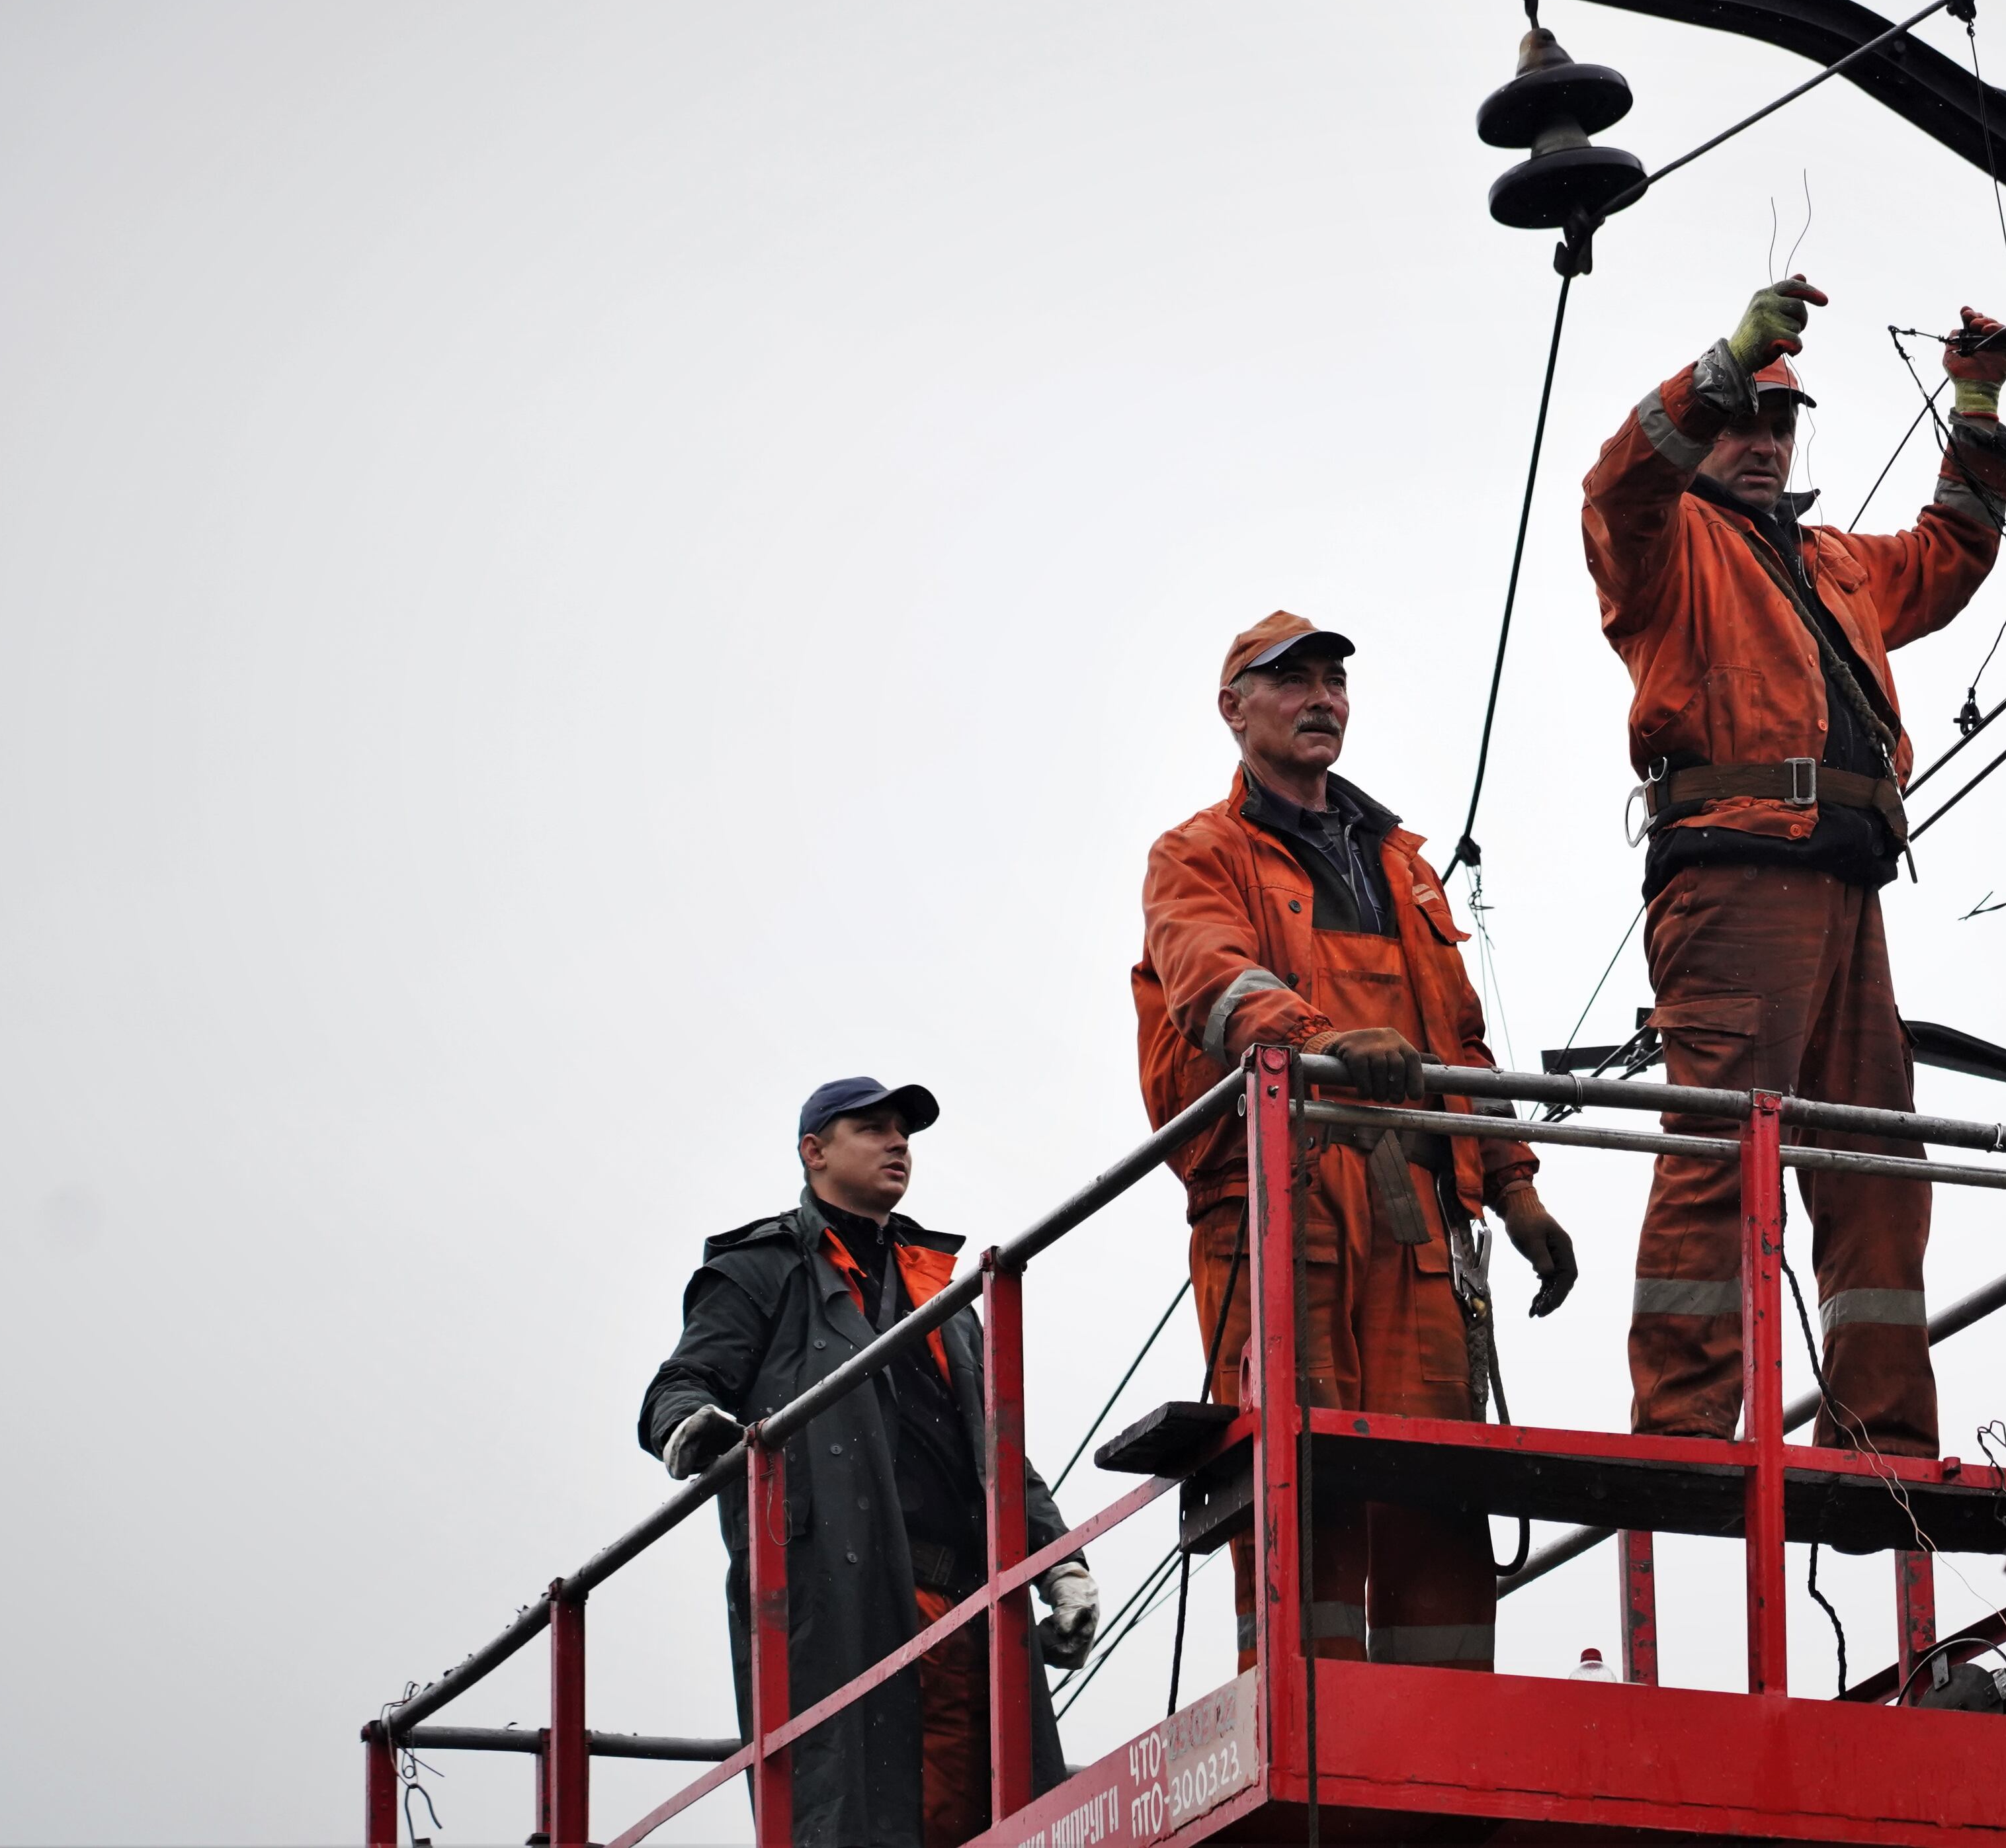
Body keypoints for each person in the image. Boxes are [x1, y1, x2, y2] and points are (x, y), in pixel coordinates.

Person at [1579, 277, 2006, 1461]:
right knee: (1726, 1145)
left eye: (1780, 423)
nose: (1763, 442)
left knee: (1875, 1158)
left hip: (1842, 894)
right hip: (1732, 886)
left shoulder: (1834, 563)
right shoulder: (1669, 548)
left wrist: (1973, 405)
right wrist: (1725, 361)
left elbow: (1953, 551)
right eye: (1742, 422)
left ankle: (1879, 1432)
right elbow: (1619, 485)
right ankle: (1682, 1426)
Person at [1132, 611, 1579, 1672]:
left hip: (1418, 1213)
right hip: (1277, 1203)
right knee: (1300, 1463)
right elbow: (1214, 984)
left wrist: (1515, 1190)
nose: (1321, 697)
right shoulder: (1199, 855)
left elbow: (1460, 1042)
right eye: (1290, 682)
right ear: (1232, 709)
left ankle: (1441, 1751)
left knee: (1436, 1474)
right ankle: (1305, 1732)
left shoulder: (1402, 865)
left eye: (1333, 680)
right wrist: (1326, 1042)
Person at [639, 1077, 1102, 1847]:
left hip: (966, 1605)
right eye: (873, 1129)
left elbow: (1000, 1453)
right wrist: (688, 1427)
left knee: (994, 1820)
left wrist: (1061, 1567)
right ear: (813, 1152)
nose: (898, 1144)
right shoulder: (762, 1269)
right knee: (859, 1815)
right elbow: (681, 1383)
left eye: (905, 1133)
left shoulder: (942, 1294)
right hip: (845, 1599)